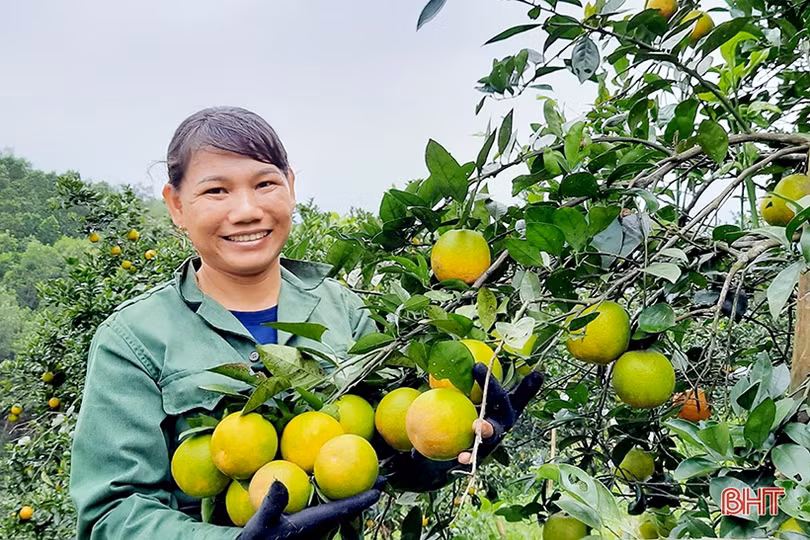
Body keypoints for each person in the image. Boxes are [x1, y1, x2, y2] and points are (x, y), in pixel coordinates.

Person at [69, 106, 543, 539]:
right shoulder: (133, 339)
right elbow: (111, 513)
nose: (246, 210)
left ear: (291, 187)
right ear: (176, 205)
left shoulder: (346, 312)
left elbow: (391, 461)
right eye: (216, 190)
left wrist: (452, 443)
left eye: (265, 184)